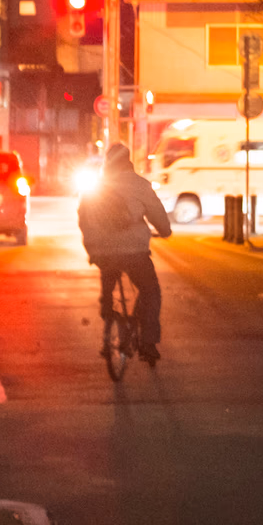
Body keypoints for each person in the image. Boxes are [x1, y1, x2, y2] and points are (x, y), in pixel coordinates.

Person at [78, 141, 171, 365]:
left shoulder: (96, 187)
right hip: (135, 251)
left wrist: (92, 248)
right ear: (128, 161)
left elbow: (84, 219)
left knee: (109, 276)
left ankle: (107, 311)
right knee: (150, 290)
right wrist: (165, 231)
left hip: (103, 251)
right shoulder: (139, 185)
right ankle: (148, 343)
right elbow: (158, 215)